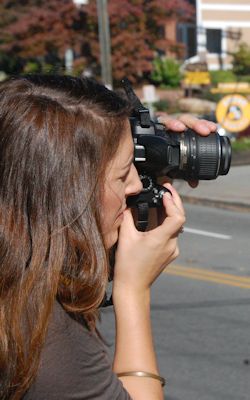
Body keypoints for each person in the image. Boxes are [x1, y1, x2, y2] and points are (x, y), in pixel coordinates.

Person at [0, 74, 216, 400]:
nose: (137, 185)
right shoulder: (42, 338)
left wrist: (145, 141)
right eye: (123, 172)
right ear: (71, 192)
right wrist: (133, 292)